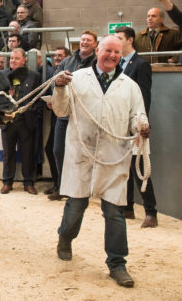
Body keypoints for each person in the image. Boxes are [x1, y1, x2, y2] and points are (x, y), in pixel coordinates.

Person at [52, 35, 150, 288]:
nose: (112, 56)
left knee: (114, 211)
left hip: (113, 156)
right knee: (76, 205)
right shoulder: (77, 78)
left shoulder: (129, 85)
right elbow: (61, 111)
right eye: (108, 51)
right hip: (82, 153)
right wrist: (59, 88)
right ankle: (65, 237)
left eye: (117, 52)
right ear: (98, 51)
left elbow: (136, 114)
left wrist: (140, 125)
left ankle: (117, 264)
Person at [114, 26, 157, 228]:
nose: (116, 42)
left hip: (135, 122)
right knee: (124, 167)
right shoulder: (116, 64)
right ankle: (127, 207)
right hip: (118, 122)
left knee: (139, 166)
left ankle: (151, 212)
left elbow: (144, 97)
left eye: (119, 38)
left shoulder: (140, 65)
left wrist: (142, 123)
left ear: (130, 40)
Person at [52, 30, 98, 203]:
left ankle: (85, 189)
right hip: (64, 115)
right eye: (83, 39)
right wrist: (55, 92)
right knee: (58, 150)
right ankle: (63, 187)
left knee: (85, 152)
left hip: (85, 115)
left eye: (89, 40)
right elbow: (54, 81)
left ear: (95, 44)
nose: (84, 42)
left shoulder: (96, 63)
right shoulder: (67, 61)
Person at [0, 48, 42, 195]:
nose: (13, 61)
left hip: (27, 121)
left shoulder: (34, 76)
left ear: (24, 60)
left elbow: (38, 98)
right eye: (11, 58)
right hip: (8, 121)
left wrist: (31, 111)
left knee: (28, 153)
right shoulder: (3, 75)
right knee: (8, 153)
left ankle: (29, 182)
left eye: (16, 59)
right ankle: (7, 182)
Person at [44, 46, 70, 200]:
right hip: (56, 117)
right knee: (52, 150)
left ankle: (63, 186)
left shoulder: (66, 72)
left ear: (66, 57)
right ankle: (58, 184)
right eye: (55, 55)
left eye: (60, 55)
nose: (57, 58)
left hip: (67, 117)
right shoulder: (55, 71)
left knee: (61, 152)